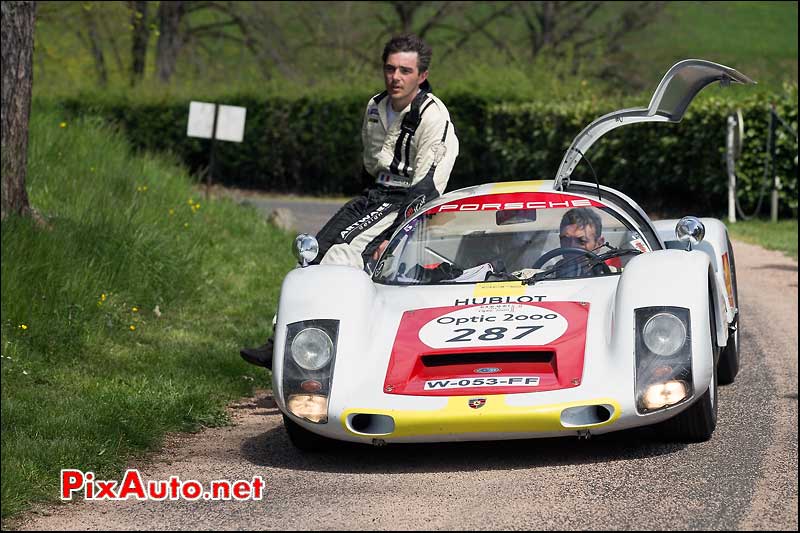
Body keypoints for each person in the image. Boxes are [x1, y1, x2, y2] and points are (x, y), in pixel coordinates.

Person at [240, 33, 460, 368]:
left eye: (405, 71)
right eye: (390, 68)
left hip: (405, 201)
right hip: (374, 194)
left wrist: (391, 237)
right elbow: (369, 165)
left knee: (342, 256)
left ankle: (320, 354)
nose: (395, 77)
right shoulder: (375, 107)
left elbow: (427, 187)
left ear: (422, 76)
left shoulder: (432, 116)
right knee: (312, 254)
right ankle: (280, 341)